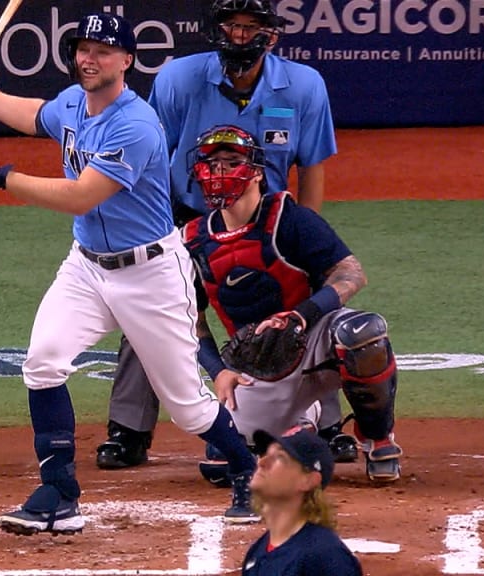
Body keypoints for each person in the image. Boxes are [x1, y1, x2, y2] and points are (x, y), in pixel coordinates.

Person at [0, 14, 262, 534]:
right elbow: (38, 115)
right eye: (81, 49)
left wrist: (4, 177)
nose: (87, 59)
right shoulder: (75, 102)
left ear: (126, 61)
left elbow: (82, 194)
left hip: (150, 276)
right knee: (44, 360)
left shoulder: (136, 124)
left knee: (187, 407)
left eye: (101, 50)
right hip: (87, 267)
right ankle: (58, 493)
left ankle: (247, 469)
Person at [95, 0, 354, 475]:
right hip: (183, 212)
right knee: (152, 306)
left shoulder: (302, 86)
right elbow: (153, 154)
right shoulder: (178, 80)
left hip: (270, 217)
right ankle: (128, 429)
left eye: (249, 26)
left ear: (269, 34)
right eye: (230, 25)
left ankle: (329, 423)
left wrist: (302, 238)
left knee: (308, 305)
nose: (237, 35)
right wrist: (157, 231)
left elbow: (311, 168)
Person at [180, 124, 403, 484]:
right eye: (212, 163)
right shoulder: (191, 241)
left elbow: (351, 274)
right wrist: (218, 370)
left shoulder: (290, 219)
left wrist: (301, 316)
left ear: (254, 171)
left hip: (315, 341)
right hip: (256, 364)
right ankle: (297, 425)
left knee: (364, 334)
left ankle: (377, 435)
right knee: (225, 465)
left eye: (231, 161)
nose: (219, 171)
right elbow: (190, 320)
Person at [242, 426, 363, 575]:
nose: (261, 462)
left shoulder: (324, 557)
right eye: (265, 454)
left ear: (308, 481)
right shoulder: (257, 552)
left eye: (280, 457)